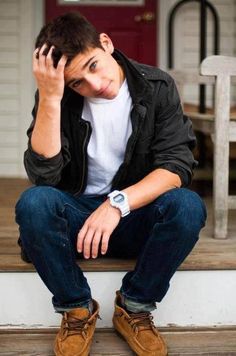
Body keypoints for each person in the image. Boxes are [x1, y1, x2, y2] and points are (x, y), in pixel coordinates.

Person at [15, 11, 206, 356]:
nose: (95, 85)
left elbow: (177, 165)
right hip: (80, 223)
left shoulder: (156, 86)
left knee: (188, 206)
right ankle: (76, 310)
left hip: (134, 215)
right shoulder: (57, 98)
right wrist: (51, 97)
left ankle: (134, 307)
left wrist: (117, 204)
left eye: (93, 66)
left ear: (106, 43)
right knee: (34, 203)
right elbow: (44, 175)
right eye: (77, 83)